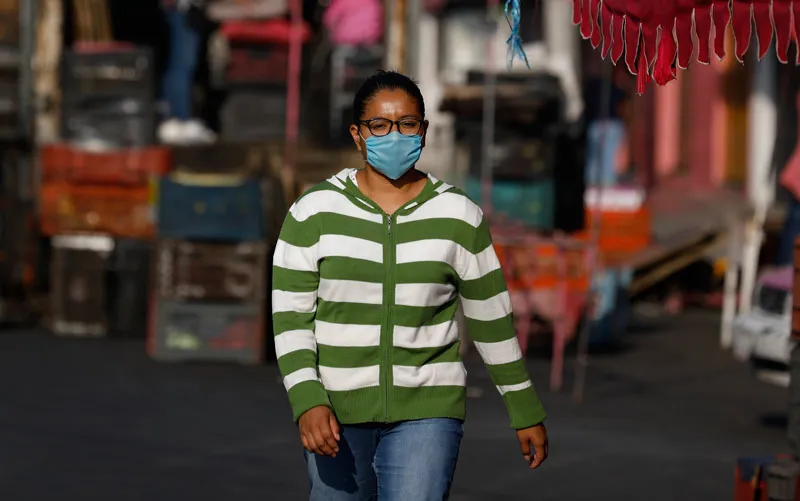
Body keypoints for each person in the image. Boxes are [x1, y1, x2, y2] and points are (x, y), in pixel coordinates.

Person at [272, 70, 548, 500]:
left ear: (424, 130)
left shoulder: (458, 215)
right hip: (335, 413)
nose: (394, 135)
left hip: (428, 413)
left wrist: (524, 408)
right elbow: (290, 318)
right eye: (379, 125)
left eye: (407, 124)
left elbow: (492, 319)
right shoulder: (312, 213)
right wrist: (307, 400)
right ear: (357, 134)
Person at [158, 0, 216, 145]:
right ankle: (178, 118)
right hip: (184, 9)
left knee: (183, 65)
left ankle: (178, 118)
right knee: (182, 65)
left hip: (189, 9)